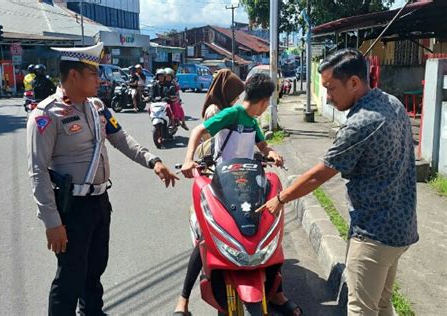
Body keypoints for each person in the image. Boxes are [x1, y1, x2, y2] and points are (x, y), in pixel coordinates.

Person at [260, 49, 418, 316]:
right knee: (381, 303)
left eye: (331, 89)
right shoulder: (392, 103)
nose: (328, 97)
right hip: (402, 228)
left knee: (360, 308)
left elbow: (319, 175)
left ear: (354, 83)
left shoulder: (360, 124)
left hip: (374, 234)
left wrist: (280, 198)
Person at [27, 42, 179, 315]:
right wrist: (52, 222)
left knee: (95, 269)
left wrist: (153, 161)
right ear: (74, 75)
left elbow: (120, 138)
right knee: (69, 278)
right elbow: (37, 171)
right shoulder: (46, 116)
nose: (100, 79)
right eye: (94, 74)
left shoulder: (97, 107)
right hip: (72, 209)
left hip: (99, 202)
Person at [174, 73, 302, 316]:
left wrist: (271, 152)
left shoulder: (253, 122)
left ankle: (276, 293)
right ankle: (183, 299)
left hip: (248, 185)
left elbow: (262, 146)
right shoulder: (232, 114)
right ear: (264, 101)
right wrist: (189, 159)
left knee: (268, 233)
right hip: (221, 184)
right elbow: (199, 130)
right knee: (207, 238)